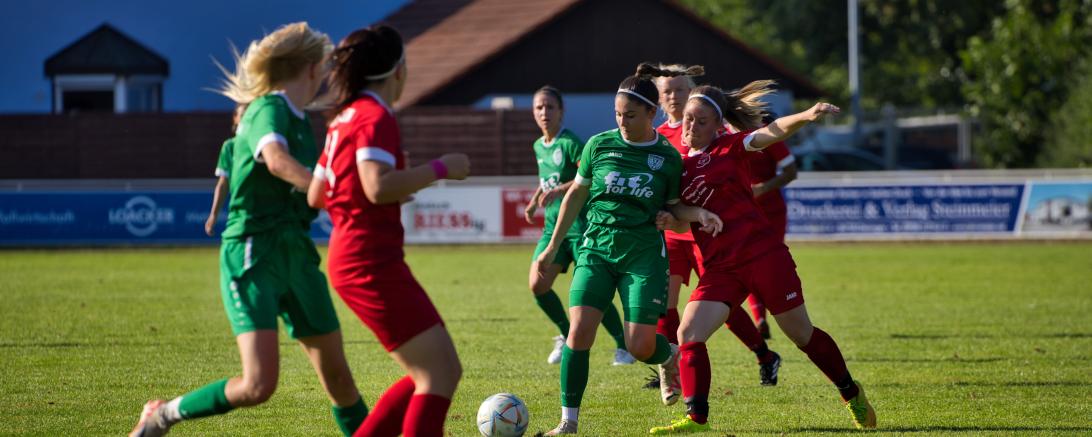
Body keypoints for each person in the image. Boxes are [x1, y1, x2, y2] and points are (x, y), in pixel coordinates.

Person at [130, 23, 368, 437]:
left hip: (297, 253)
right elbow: (275, 160)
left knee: (341, 383)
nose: (328, 76)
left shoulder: (301, 120)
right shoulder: (267, 108)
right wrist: (330, 192)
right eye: (325, 67)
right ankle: (162, 416)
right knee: (258, 385)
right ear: (311, 68)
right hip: (253, 253)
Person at [650, 82, 876, 434]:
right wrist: (679, 216)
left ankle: (850, 391)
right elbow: (679, 210)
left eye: (701, 121)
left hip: (763, 256)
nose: (691, 127)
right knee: (689, 332)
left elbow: (771, 132)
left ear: (718, 125)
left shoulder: (730, 147)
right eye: (689, 120)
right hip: (722, 268)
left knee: (801, 335)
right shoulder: (676, 165)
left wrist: (808, 114)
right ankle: (697, 420)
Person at [535, 63, 723, 436]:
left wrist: (694, 214)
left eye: (631, 115)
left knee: (639, 345)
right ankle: (568, 422)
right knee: (580, 332)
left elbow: (675, 211)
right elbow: (576, 194)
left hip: (643, 257)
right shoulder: (598, 145)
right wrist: (552, 247)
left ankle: (667, 356)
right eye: (618, 114)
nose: (622, 121)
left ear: (651, 113)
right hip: (597, 250)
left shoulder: (668, 158)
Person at [306, 24, 470, 437]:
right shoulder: (375, 115)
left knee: (434, 371)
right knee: (437, 375)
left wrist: (395, 187)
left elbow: (317, 194)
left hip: (354, 256)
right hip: (368, 260)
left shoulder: (343, 117)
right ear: (398, 70)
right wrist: (440, 169)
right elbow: (376, 186)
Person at [653, 65, 781, 391]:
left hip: (706, 235)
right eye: (667, 91)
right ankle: (672, 370)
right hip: (673, 233)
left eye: (679, 90)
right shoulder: (657, 136)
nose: (673, 96)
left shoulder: (710, 129)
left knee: (720, 307)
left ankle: (763, 354)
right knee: (665, 303)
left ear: (691, 92)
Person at [523, 85, 635, 366]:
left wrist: (560, 190)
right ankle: (565, 334)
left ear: (561, 112)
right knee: (537, 284)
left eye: (550, 107)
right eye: (539, 107)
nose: (544, 112)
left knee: (589, 292)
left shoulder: (571, 143)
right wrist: (536, 200)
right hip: (553, 228)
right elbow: (545, 180)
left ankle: (624, 346)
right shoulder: (539, 145)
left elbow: (592, 174)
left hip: (582, 227)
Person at [742, 111, 798, 333]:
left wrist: (763, 188)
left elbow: (791, 171)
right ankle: (759, 318)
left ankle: (781, 310)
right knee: (746, 262)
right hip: (743, 211)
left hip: (771, 212)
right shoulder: (726, 133)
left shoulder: (767, 133)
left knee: (770, 264)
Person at [205, 104, 248, 236]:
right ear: (235, 118)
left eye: (249, 115)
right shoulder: (230, 147)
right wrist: (213, 215)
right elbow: (223, 183)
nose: (246, 119)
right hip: (241, 212)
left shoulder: (264, 145)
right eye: (242, 115)